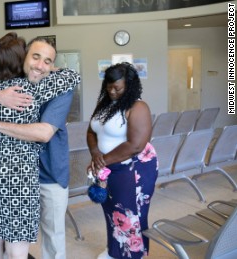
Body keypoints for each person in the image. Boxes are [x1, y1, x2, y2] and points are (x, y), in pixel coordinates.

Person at [0, 33, 80, 259]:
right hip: (21, 178)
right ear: (23, 58)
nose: (40, 65)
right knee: (17, 246)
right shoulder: (28, 89)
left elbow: (45, 133)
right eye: (35, 57)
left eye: (47, 61)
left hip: (37, 172)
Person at [86, 62, 158, 259]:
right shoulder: (105, 105)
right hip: (109, 167)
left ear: (130, 86)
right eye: (108, 86)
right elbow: (91, 131)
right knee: (113, 211)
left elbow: (135, 145)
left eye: (117, 87)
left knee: (131, 214)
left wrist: (102, 161)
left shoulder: (138, 107)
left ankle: (134, 255)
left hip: (133, 169)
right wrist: (95, 153)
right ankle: (115, 252)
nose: (112, 91)